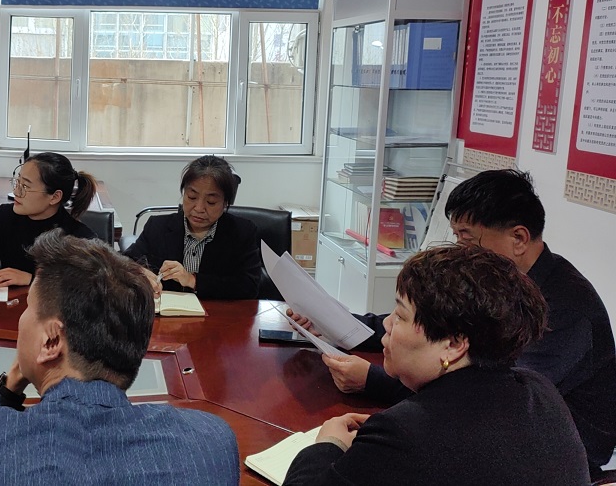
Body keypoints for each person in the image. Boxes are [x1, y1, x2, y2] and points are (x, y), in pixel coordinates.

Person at [290, 169, 616, 476]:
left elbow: (482, 395)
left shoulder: (565, 309)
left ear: (518, 238)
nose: (460, 250)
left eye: (467, 240)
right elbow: (429, 322)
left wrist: (371, 379)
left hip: (543, 455)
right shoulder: (503, 286)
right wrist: (336, 324)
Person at [0, 233, 238, 485]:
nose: (22, 320)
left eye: (28, 308)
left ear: (51, 340)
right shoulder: (211, 442)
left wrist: (7, 388)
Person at [284, 244, 587, 486]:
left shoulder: (403, 433)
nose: (387, 324)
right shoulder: (540, 391)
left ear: (453, 344)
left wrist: (329, 444)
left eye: (401, 316)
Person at [0, 153, 98, 293]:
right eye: (17, 182)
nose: (16, 192)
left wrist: (32, 280)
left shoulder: (78, 238)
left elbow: (92, 291)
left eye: (25, 186)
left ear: (55, 197)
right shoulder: (5, 217)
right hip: (8, 310)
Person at [122, 155, 261, 299]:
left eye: (211, 202)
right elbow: (124, 262)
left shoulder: (242, 232)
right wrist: (140, 272)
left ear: (225, 203)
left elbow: (249, 287)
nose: (199, 208)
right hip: (166, 311)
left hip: (215, 312)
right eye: (192, 197)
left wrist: (192, 280)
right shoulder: (157, 227)